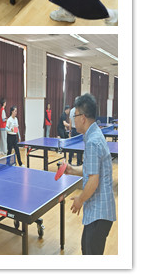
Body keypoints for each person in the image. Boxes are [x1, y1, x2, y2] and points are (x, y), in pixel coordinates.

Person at [64, 93, 116, 255]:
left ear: (83, 118)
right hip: (98, 212)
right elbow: (92, 169)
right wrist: (73, 169)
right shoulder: (93, 135)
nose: (73, 119)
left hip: (99, 213)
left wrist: (80, 200)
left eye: (75, 115)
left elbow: (94, 180)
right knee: (87, 249)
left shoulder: (93, 141)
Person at [69, 97, 83, 165]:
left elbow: (70, 122)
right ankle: (78, 162)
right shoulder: (80, 110)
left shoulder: (71, 110)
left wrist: (70, 131)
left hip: (73, 130)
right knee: (79, 147)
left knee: (72, 146)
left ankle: (69, 160)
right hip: (79, 130)